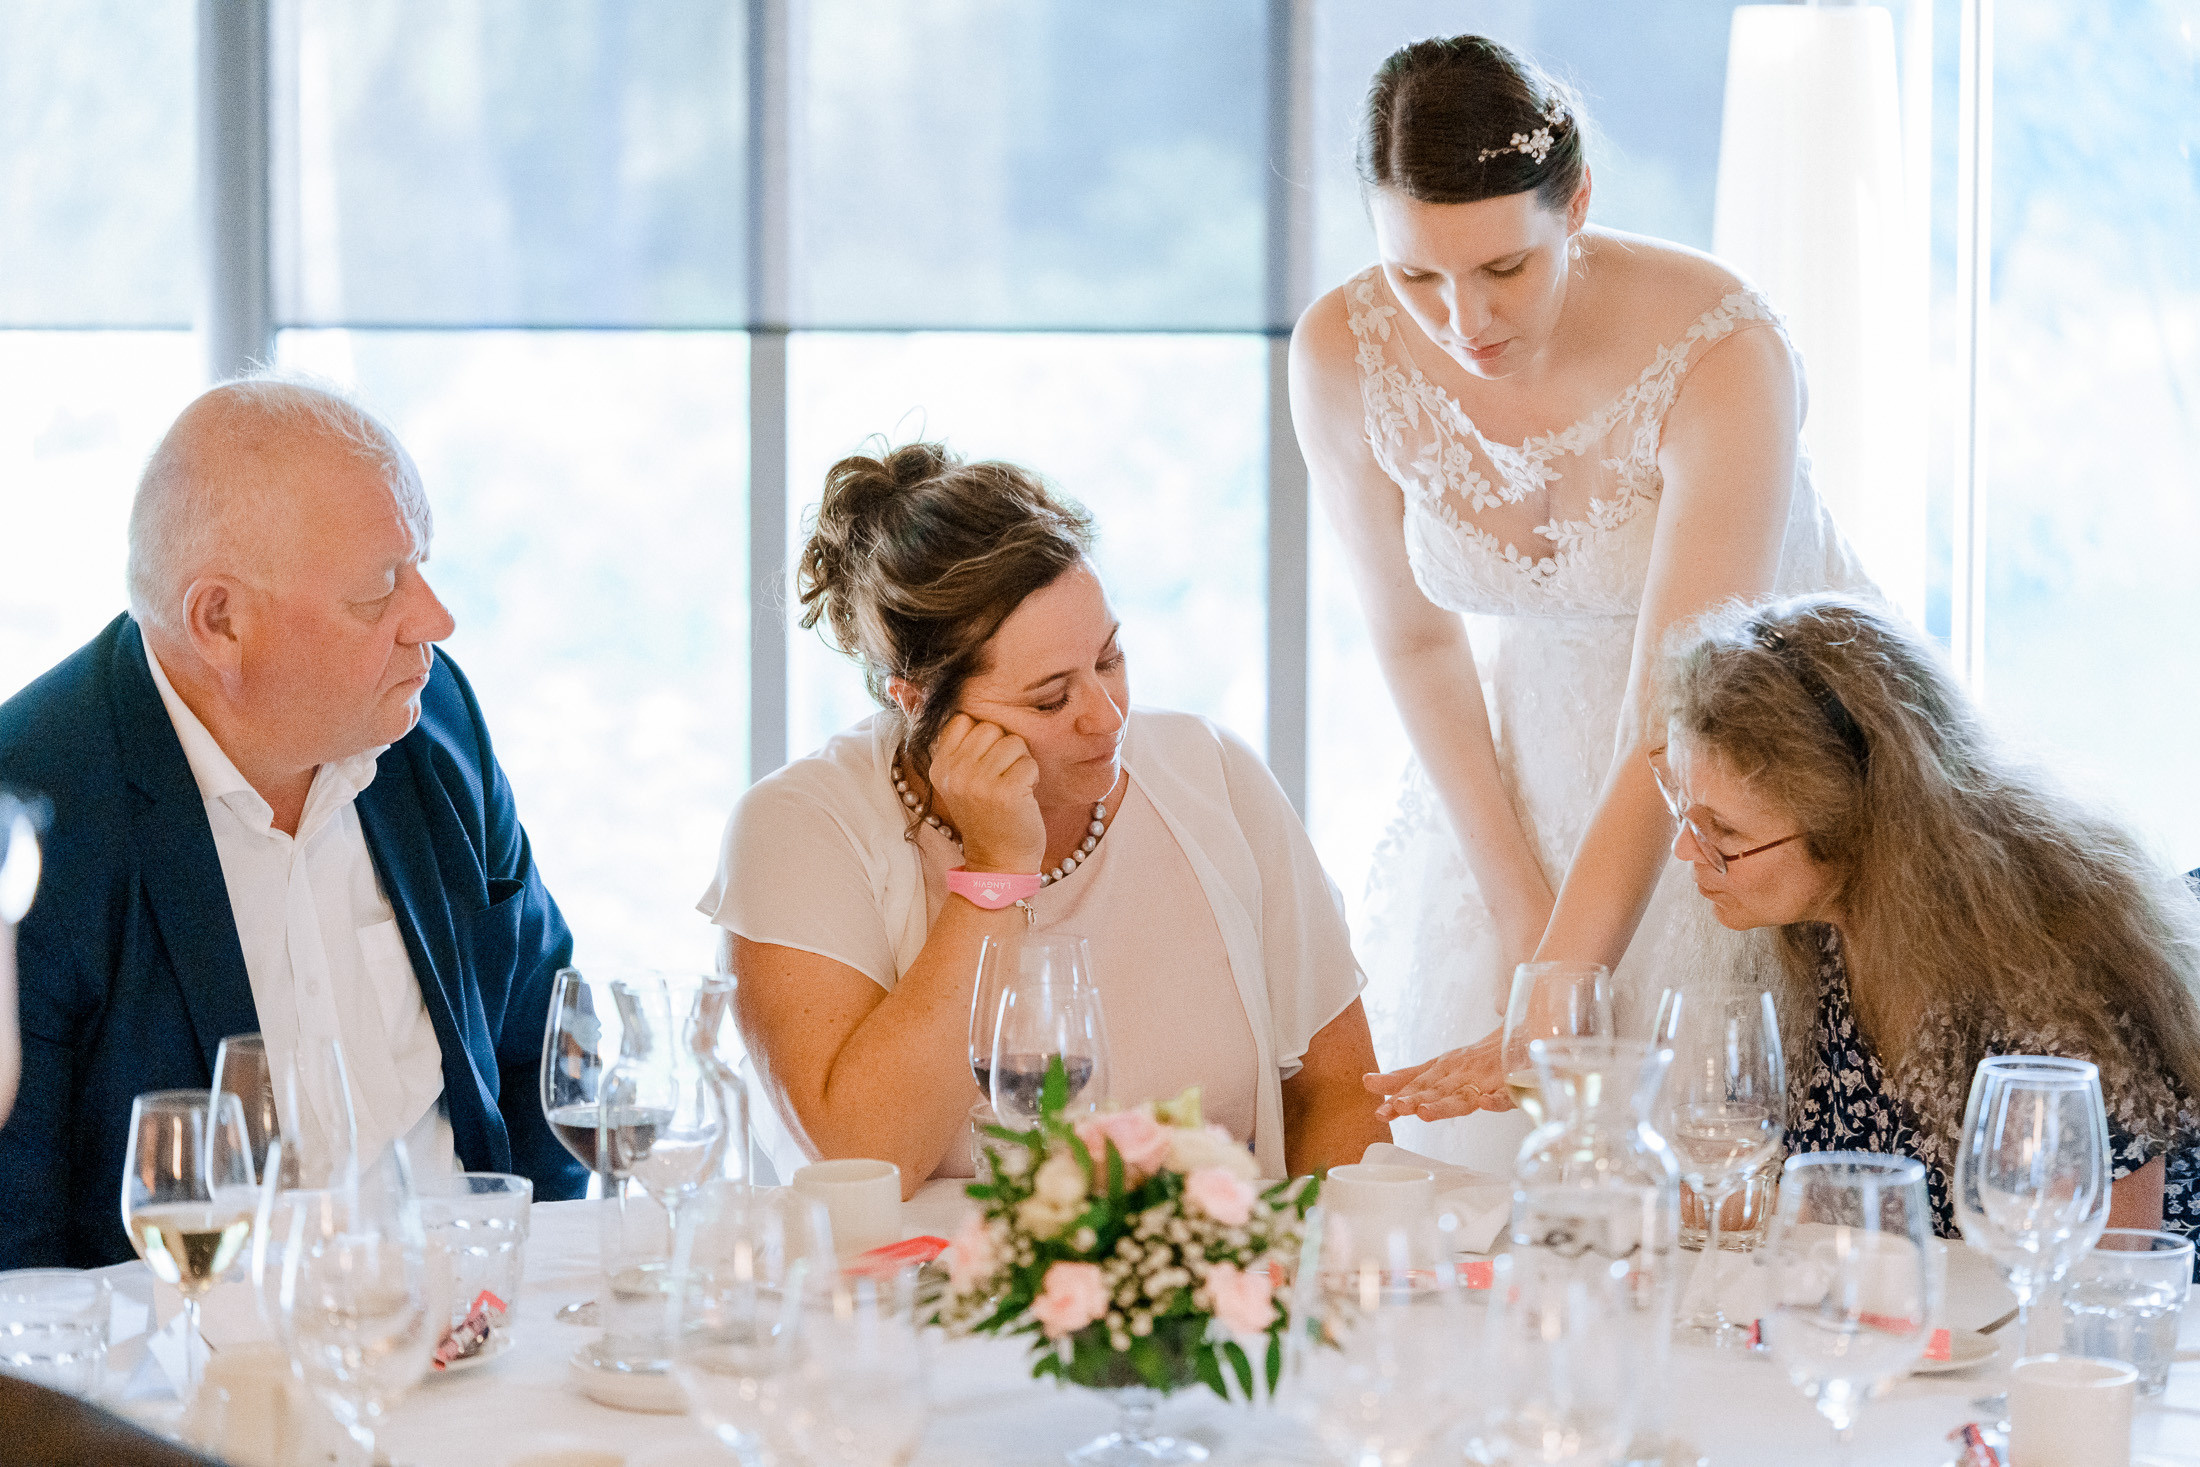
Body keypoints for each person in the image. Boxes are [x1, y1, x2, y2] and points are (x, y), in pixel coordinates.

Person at [1288, 34, 1876, 1168]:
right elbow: (1415, 642)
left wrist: (1569, 959)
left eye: (1504, 268)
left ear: (1577, 206)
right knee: (1493, 1188)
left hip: (1756, 756)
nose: (1464, 322)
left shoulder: (1719, 347)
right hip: (1527, 758)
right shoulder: (1341, 354)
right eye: (1417, 276)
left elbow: (1680, 699)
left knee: (1709, 1160)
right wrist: (1521, 911)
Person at [0, 375, 586, 1269]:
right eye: (378, 589)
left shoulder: (435, 726)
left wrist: (535, 1301)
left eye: (420, 565)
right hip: (177, 1375)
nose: (434, 619)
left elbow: (540, 1049)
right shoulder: (33, 806)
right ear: (220, 621)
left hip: (472, 1329)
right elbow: (16, 1249)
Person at [703, 442, 1390, 1193]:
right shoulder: (799, 830)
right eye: (1049, 697)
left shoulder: (1213, 775)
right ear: (916, 699)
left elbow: (1340, 1093)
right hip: (905, 1303)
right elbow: (865, 1160)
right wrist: (995, 873)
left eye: (1109, 658)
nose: (1107, 716)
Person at [1656, 593, 2200, 1239]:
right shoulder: (1799, 929)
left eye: (1723, 831)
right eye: (1684, 807)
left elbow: (2100, 1268)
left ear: (1860, 825)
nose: (1685, 849)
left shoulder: (2049, 960)